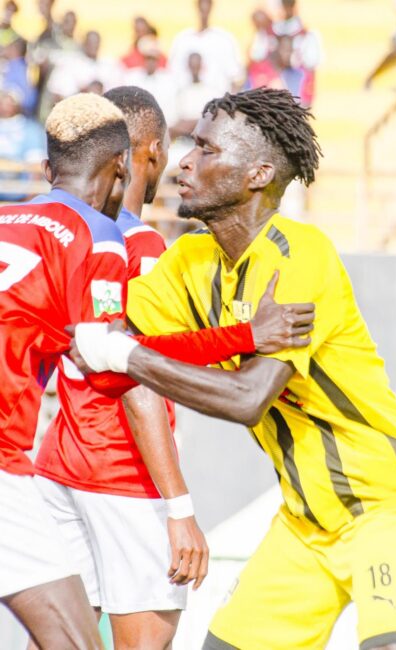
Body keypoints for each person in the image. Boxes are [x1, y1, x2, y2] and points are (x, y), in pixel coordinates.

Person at [71, 87, 396, 650]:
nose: (184, 163)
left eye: (207, 149)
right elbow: (100, 343)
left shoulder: (300, 253)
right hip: (304, 520)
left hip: (388, 505)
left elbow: (248, 397)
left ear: (258, 174)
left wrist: (124, 354)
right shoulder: (190, 261)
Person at [32, 85, 316, 650]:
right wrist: (179, 506)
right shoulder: (139, 246)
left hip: (58, 466)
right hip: (127, 478)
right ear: (153, 152)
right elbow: (137, 379)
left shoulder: (67, 234)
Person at [0, 91, 131, 650]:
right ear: (121, 168)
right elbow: (105, 362)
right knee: (77, 643)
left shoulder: (4, 215)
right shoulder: (98, 235)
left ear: (47, 168)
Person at [169, 0, 243, 96]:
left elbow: (236, 76)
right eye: (202, 6)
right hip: (187, 98)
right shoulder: (182, 39)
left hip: (218, 98)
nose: (204, 10)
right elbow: (173, 73)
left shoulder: (224, 40)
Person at [0, 85, 45, 200]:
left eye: (10, 101)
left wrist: (30, 198)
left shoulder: (30, 129)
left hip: (19, 194)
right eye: (3, 100)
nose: (6, 104)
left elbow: (36, 163)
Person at [124, 37, 177, 126]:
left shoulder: (168, 79)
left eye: (153, 59)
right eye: (148, 59)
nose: (150, 62)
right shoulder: (132, 77)